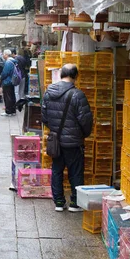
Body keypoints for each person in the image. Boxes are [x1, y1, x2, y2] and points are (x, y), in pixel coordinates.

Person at [41, 63, 93, 212]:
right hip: (73, 142)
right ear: (76, 76)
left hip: (55, 141)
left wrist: (55, 129)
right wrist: (83, 134)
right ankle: (75, 203)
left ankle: (58, 202)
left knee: (57, 170)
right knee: (75, 172)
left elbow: (44, 117)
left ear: (60, 74)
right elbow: (86, 120)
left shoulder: (48, 92)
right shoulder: (77, 95)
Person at [0, 49, 16, 116]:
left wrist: (0, 78)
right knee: (12, 96)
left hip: (7, 81)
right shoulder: (12, 61)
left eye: (3, 54)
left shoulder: (8, 62)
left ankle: (8, 111)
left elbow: (5, 73)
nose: (3, 55)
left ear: (6, 55)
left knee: (7, 97)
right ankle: (13, 110)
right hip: (11, 81)